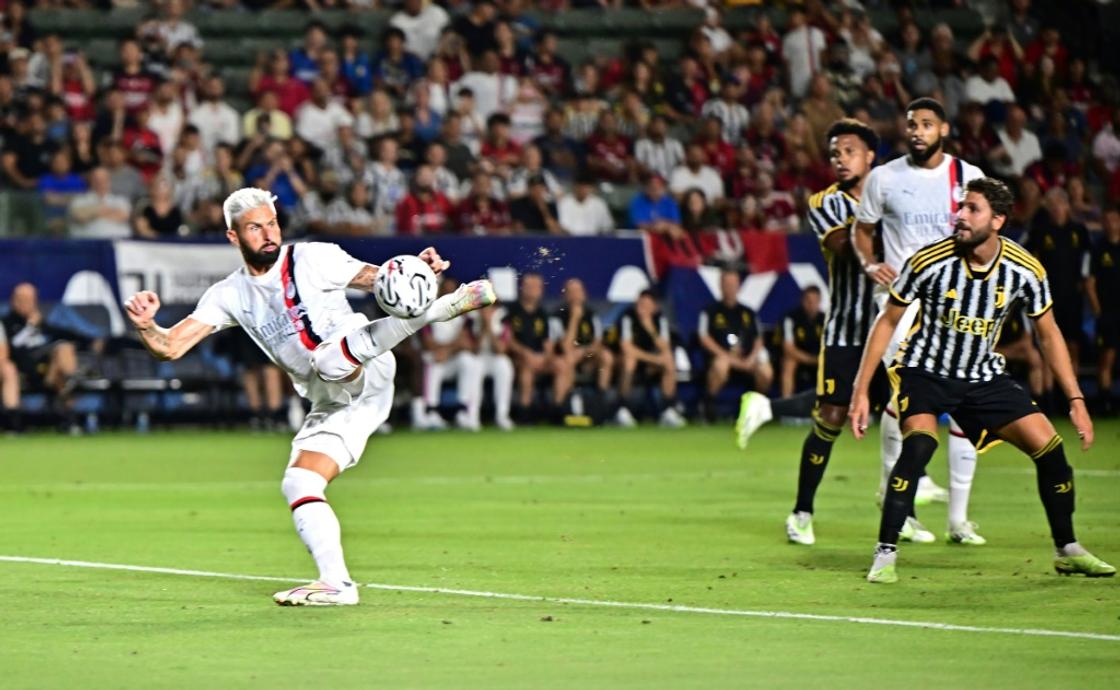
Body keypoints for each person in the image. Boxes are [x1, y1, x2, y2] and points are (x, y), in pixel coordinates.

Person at [122, 187, 496, 606]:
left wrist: (417, 273)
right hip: (334, 401)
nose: (268, 234)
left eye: (272, 224)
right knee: (299, 481)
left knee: (326, 360)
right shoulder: (230, 294)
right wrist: (146, 325)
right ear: (233, 237)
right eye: (254, 228)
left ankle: (443, 307)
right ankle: (336, 584)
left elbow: (381, 280)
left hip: (364, 369)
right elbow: (170, 347)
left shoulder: (312, 258)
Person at [850, 177, 1114, 583]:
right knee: (919, 447)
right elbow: (888, 321)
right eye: (961, 207)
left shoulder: (1024, 269)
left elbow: (1048, 333)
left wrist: (1076, 399)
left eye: (972, 209)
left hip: (982, 376)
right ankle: (885, 554)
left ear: (998, 220)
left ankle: (1067, 549)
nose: (961, 215)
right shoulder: (929, 261)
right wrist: (861, 390)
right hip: (925, 371)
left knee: (1051, 450)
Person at [736, 119, 879, 544]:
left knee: (909, 412)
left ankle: (904, 507)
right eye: (834, 153)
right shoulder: (825, 202)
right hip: (848, 331)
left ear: (871, 155)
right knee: (832, 415)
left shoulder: (896, 196)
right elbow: (844, 246)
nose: (840, 159)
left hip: (894, 328)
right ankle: (801, 513)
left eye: (849, 150)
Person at [851, 98, 986, 542]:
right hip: (901, 301)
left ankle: (959, 521)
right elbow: (862, 230)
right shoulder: (884, 178)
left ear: (943, 129)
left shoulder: (968, 177)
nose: (917, 131)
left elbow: (984, 233)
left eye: (926, 124)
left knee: (966, 397)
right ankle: (902, 503)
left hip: (955, 303)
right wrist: (870, 265)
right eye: (911, 124)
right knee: (905, 392)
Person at [1024, 188, 1089, 376]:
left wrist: (1083, 286)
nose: (1056, 208)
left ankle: (1073, 396)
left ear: (1068, 206)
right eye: (1052, 205)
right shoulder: (1039, 232)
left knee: (1072, 345)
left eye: (1060, 203)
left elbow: (1087, 262)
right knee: (1049, 345)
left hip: (1073, 298)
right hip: (1049, 299)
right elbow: (1026, 256)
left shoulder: (1079, 231)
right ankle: (1049, 398)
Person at [2, 283, 84, 425]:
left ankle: (71, 379)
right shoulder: (7, 323)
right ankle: (71, 384)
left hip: (49, 370)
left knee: (64, 347)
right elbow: (11, 349)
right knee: (60, 370)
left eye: (31, 300)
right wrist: (30, 327)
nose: (28, 304)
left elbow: (65, 335)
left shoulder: (42, 324)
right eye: (23, 299)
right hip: (26, 369)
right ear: (14, 300)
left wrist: (91, 342)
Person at [698, 270, 771, 418]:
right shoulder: (709, 312)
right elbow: (704, 338)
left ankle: (755, 408)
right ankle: (708, 406)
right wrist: (729, 358)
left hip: (747, 359)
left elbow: (758, 339)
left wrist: (751, 358)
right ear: (721, 286)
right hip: (723, 358)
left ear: (739, 286)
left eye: (733, 284)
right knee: (721, 365)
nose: (730, 288)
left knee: (766, 371)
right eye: (727, 284)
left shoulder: (749, 312)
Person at [419, 277, 483, 431]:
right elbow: (428, 343)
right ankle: (431, 411)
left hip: (452, 358)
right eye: (446, 289)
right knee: (434, 362)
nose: (449, 292)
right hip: (435, 359)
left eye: (452, 290)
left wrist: (447, 350)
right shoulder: (428, 312)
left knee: (469, 361)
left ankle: (463, 411)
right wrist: (450, 347)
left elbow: (466, 344)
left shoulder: (464, 314)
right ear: (440, 291)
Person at [616, 290, 686, 429]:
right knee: (630, 359)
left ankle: (668, 410)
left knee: (669, 361)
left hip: (651, 365)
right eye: (641, 304)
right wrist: (653, 359)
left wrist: (649, 327)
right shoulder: (628, 317)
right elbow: (627, 348)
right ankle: (623, 410)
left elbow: (665, 348)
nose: (643, 308)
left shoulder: (660, 320)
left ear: (655, 307)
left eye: (647, 305)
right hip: (631, 362)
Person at [550, 278, 614, 418]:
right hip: (563, 359)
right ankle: (563, 408)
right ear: (565, 295)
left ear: (584, 294)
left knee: (606, 356)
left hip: (588, 357)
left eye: (578, 291)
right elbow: (566, 347)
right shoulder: (557, 316)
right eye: (571, 292)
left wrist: (586, 352)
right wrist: (574, 318)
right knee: (568, 359)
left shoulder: (592, 315)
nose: (575, 295)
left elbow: (598, 343)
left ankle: (601, 403)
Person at [503, 272, 557, 421]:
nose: (534, 290)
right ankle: (524, 414)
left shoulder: (543, 313)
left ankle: (558, 410)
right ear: (522, 288)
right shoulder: (511, 310)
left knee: (562, 365)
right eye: (530, 286)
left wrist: (545, 358)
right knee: (527, 368)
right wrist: (525, 353)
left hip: (539, 359)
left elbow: (548, 343)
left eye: (537, 287)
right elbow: (507, 339)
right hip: (517, 359)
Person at [1086, 206, 1120, 414]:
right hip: (1108, 313)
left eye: (1115, 220)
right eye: (1107, 220)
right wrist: (1098, 311)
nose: (1111, 224)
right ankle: (1105, 401)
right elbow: (1090, 282)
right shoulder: (1097, 249)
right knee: (1106, 357)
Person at [470, 304, 515, 430]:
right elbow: (475, 349)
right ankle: (472, 416)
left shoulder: (502, 317)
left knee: (504, 365)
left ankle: (502, 416)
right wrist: (483, 325)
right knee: (473, 365)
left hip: (495, 357)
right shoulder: (471, 318)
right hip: (478, 357)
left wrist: (489, 324)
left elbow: (500, 349)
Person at [780, 286, 825, 398]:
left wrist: (821, 358)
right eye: (808, 300)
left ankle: (834, 404)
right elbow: (788, 348)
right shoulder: (791, 318)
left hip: (821, 358)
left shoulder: (826, 319)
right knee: (789, 362)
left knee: (837, 362)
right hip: (800, 358)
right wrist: (810, 359)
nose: (811, 304)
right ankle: (787, 403)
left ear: (820, 302)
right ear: (802, 300)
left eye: (815, 301)